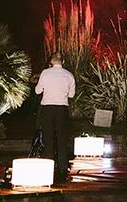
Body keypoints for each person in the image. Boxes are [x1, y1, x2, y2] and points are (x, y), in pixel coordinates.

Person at [34, 52, 75, 184]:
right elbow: (72, 95)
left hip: (47, 109)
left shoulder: (45, 73)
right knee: (62, 139)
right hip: (62, 109)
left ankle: (49, 167)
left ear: (51, 61)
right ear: (62, 61)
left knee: (48, 138)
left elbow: (37, 91)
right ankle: (63, 168)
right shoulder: (69, 75)